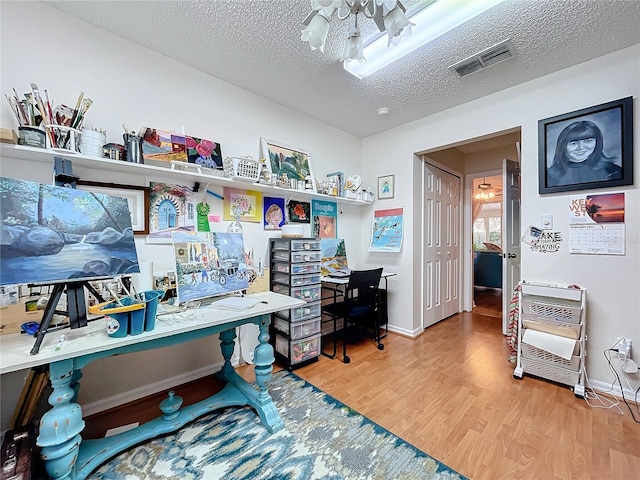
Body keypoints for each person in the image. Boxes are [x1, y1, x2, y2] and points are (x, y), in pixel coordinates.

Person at [547, 120, 622, 187]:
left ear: (597, 142)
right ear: (562, 146)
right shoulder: (549, 176)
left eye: (588, 141)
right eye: (573, 143)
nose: (581, 147)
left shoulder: (613, 171)